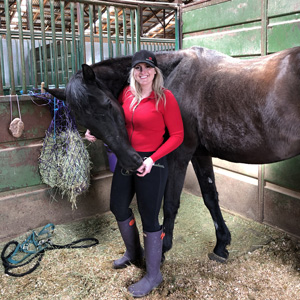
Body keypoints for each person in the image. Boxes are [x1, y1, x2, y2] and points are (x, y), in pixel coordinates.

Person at [86, 49, 184, 297]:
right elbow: (118, 123)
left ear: (155, 71)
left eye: (148, 68)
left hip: (153, 161)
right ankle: (133, 253)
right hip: (127, 158)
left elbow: (177, 136)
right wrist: (96, 133)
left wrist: (152, 160)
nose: (144, 72)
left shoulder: (165, 98)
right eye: (138, 68)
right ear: (133, 72)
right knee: (118, 206)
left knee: (150, 217)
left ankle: (153, 274)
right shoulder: (126, 94)